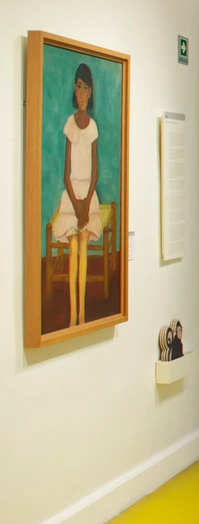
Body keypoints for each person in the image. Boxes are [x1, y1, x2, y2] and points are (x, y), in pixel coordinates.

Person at [51, 64, 101, 327]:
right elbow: (65, 173)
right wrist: (76, 205)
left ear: (90, 92)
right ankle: (73, 316)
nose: (82, 93)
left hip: (88, 196)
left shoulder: (93, 128)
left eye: (86, 89)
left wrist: (86, 203)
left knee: (83, 247)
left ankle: (83, 314)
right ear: (74, 89)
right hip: (71, 195)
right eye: (78, 87)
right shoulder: (70, 124)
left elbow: (95, 173)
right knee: (73, 248)